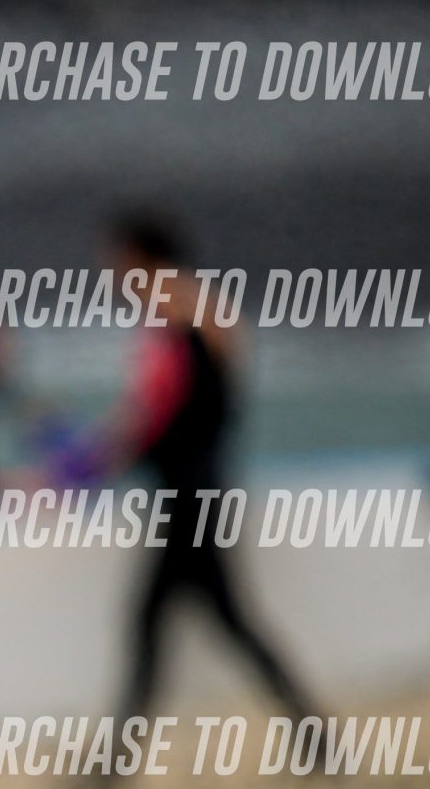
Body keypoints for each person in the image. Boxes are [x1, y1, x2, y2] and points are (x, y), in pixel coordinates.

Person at [94, 213, 318, 722]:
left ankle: (115, 754)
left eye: (115, 262)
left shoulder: (172, 317)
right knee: (207, 620)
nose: (111, 274)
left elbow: (149, 414)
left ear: (137, 259)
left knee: (164, 620)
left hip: (188, 498)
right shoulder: (209, 311)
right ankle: (313, 733)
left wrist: (85, 463)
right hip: (203, 489)